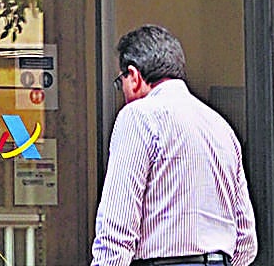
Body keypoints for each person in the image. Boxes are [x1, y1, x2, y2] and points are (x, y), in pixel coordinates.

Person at [90, 25, 258, 266]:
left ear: (134, 76)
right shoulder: (222, 128)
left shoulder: (138, 116)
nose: (123, 91)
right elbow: (246, 241)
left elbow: (117, 228)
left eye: (121, 82)